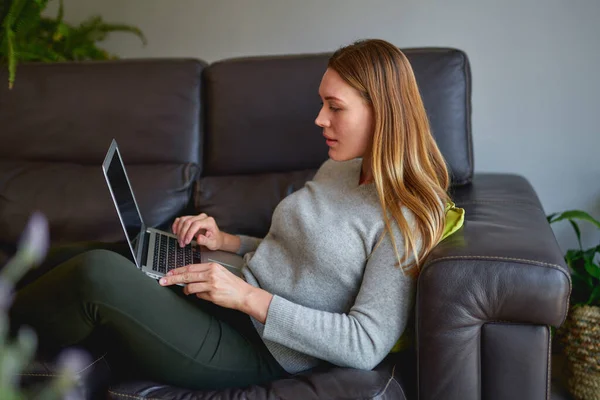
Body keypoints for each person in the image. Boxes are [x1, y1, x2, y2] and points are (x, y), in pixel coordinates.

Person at [10, 39, 464, 390]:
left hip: (260, 350)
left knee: (98, 275)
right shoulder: (342, 167)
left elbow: (366, 343)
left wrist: (248, 298)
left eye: (335, 107)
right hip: (232, 296)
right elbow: (297, 256)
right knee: (108, 248)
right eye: (322, 103)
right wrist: (225, 242)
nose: (319, 119)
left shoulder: (405, 218)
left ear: (381, 113)